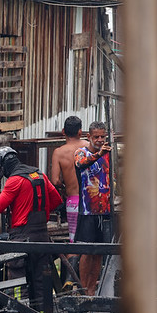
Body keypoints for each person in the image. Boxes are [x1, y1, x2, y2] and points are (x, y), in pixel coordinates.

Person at [0, 146, 63, 313]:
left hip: (21, 236)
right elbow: (57, 201)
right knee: (40, 280)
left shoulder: (14, 181)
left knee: (17, 280)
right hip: (42, 236)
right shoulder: (39, 175)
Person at [49, 116, 88, 290]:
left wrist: (66, 186)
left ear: (63, 132)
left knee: (74, 240)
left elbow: (55, 180)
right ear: (80, 131)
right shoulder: (88, 146)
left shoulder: (59, 152)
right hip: (90, 200)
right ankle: (83, 283)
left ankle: (69, 279)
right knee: (89, 240)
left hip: (72, 201)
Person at [74, 121, 112, 296]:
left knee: (99, 252)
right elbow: (81, 164)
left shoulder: (108, 154)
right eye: (96, 137)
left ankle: (92, 289)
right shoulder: (81, 153)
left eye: (102, 137)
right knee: (87, 251)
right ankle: (83, 288)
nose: (99, 140)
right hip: (88, 209)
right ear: (88, 137)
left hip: (104, 210)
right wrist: (98, 154)